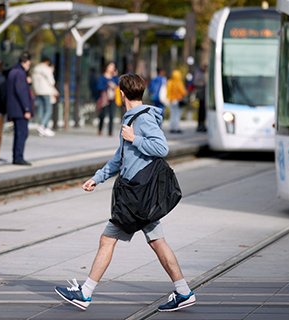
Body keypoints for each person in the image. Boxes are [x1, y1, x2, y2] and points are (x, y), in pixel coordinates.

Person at [54, 73, 195, 313]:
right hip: (139, 194)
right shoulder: (132, 117)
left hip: (136, 196)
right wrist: (97, 178)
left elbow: (162, 147)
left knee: (107, 239)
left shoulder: (140, 120)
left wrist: (135, 138)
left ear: (121, 94)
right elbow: (120, 158)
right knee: (157, 242)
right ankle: (183, 291)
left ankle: (85, 293)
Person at [7, 52, 34, 166]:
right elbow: (21, 92)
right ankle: (18, 157)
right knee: (22, 133)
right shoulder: (20, 73)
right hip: (20, 110)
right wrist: (26, 109)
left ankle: (16, 156)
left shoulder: (13, 71)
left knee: (19, 133)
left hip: (14, 108)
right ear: (26, 61)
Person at [31, 56, 57, 137]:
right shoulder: (47, 69)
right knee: (48, 109)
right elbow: (52, 81)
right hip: (46, 91)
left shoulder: (35, 69)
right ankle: (43, 126)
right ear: (48, 62)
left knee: (41, 109)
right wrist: (51, 71)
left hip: (38, 91)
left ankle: (42, 127)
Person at [96, 62, 119, 136]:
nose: (112, 68)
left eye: (113, 67)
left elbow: (118, 84)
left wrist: (116, 76)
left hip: (112, 98)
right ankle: (100, 129)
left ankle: (110, 131)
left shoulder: (114, 78)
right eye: (111, 66)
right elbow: (98, 87)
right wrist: (108, 86)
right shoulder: (102, 77)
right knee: (103, 114)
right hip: (104, 99)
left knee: (111, 115)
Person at [167, 69, 187, 134]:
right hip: (178, 101)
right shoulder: (179, 82)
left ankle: (172, 128)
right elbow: (183, 92)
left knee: (172, 115)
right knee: (177, 115)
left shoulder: (170, 82)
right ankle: (177, 128)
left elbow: (168, 91)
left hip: (172, 101)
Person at [194, 64, 207, 132]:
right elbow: (196, 82)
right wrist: (205, 83)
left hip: (204, 96)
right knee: (201, 111)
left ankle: (202, 125)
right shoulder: (199, 74)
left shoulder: (204, 74)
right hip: (201, 95)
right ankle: (200, 125)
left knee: (203, 112)